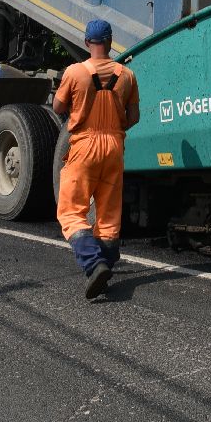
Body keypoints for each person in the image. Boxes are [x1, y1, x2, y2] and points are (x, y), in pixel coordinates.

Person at [53, 19, 140, 297]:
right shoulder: (127, 75)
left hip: (84, 145)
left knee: (71, 210)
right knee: (109, 211)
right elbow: (134, 117)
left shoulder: (75, 72)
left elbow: (58, 106)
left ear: (87, 42)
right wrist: (114, 130)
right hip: (114, 145)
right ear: (111, 41)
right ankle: (105, 263)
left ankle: (94, 264)